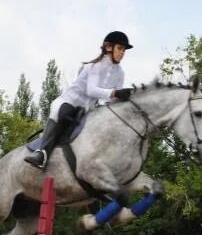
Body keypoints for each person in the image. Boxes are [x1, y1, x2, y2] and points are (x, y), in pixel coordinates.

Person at [24, 31, 135, 169]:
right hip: (69, 102)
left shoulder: (120, 73)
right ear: (108, 48)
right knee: (63, 113)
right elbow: (91, 90)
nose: (122, 53)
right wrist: (116, 93)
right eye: (120, 48)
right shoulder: (94, 67)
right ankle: (42, 153)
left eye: (124, 50)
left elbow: (113, 101)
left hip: (87, 109)